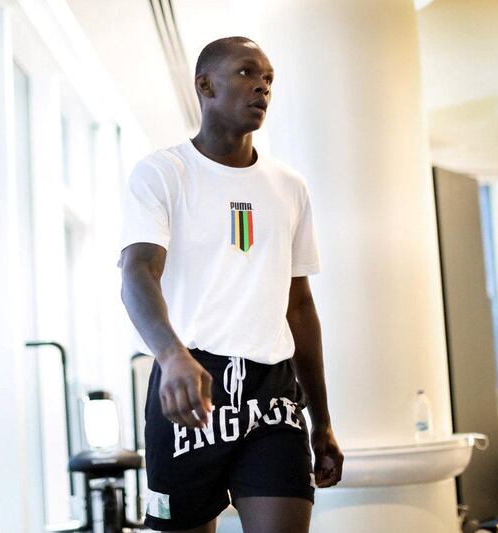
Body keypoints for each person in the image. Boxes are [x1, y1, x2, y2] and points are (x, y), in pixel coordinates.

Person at [119, 36, 343, 533]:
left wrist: (322, 421)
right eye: (246, 73)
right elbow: (137, 272)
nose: (262, 86)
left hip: (273, 393)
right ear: (205, 86)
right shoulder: (162, 173)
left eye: (268, 78)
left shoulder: (289, 186)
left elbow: (300, 306)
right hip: (189, 386)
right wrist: (171, 354)